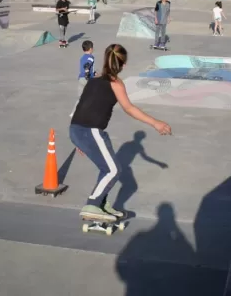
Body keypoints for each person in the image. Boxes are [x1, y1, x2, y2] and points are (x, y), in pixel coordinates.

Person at [70, 43, 172, 221]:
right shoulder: (115, 83)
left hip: (77, 128)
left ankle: (101, 204)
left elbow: (81, 106)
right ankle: (92, 204)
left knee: (106, 168)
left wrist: (79, 140)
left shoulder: (93, 81)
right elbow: (129, 108)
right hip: (90, 131)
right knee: (113, 170)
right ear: (122, 65)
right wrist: (155, 123)